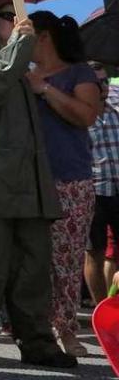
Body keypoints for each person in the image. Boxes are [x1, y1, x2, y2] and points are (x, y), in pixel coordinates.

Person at [0, 0, 77, 369]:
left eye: (20, 15)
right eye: (9, 16)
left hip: (31, 180)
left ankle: (37, 340)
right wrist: (18, 50)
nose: (19, 22)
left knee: (33, 267)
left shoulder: (26, 66)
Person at [26, 11, 100, 357]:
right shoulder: (21, 77)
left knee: (67, 262)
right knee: (32, 261)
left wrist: (45, 90)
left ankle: (67, 331)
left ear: (43, 37)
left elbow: (86, 115)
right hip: (27, 183)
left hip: (71, 179)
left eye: (25, 36)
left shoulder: (79, 72)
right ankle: (34, 330)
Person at [85, 62, 119, 304]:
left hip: (118, 189)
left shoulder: (116, 109)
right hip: (94, 190)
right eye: (98, 82)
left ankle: (113, 306)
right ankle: (100, 309)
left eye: (106, 80)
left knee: (113, 253)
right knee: (94, 253)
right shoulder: (80, 113)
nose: (105, 86)